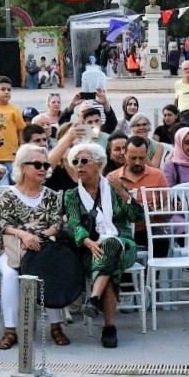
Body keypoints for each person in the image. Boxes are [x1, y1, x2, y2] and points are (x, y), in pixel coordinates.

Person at [56, 141, 144, 349]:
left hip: (124, 245)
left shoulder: (115, 187)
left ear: (99, 164)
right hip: (90, 249)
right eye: (75, 162)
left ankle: (93, 298)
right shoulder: (72, 195)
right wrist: (87, 241)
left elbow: (137, 216)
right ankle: (109, 327)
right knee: (109, 261)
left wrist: (124, 194)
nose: (79, 166)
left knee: (112, 244)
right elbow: (74, 223)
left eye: (84, 161)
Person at [0, 144, 72, 349]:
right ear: (22, 167)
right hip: (12, 249)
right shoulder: (9, 194)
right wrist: (23, 235)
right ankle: (10, 330)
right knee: (10, 275)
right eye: (37, 164)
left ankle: (56, 326)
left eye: (45, 165)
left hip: (42, 246)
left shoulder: (52, 195)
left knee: (48, 269)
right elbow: (3, 225)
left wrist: (38, 237)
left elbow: (56, 224)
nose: (43, 168)